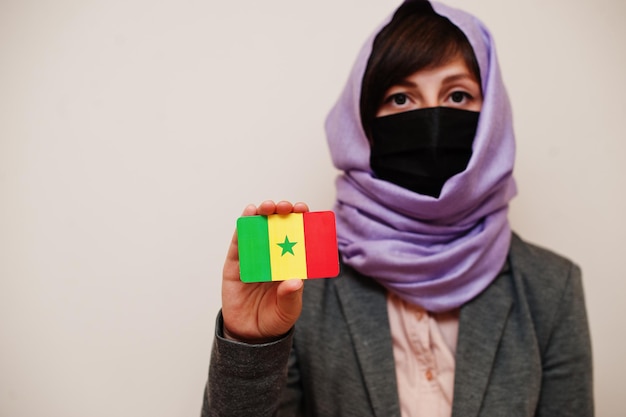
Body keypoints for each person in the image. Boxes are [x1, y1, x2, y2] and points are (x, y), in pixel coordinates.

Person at [201, 1, 594, 416]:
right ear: (363, 124)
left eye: (458, 95)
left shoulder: (552, 288)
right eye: (401, 98)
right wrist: (250, 345)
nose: (430, 119)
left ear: (493, 117)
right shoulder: (299, 283)